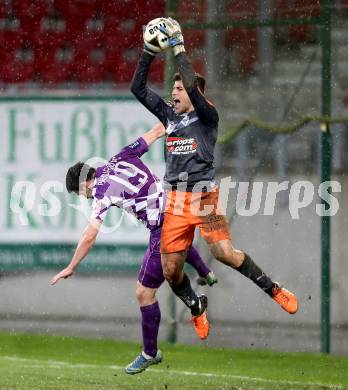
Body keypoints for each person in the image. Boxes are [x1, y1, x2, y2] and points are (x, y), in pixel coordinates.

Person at [131, 17, 298, 340]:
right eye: (174, 89)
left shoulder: (207, 116)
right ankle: (196, 305)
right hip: (176, 200)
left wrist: (178, 48)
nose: (174, 93)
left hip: (204, 198)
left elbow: (193, 85)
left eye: (179, 89)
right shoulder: (168, 115)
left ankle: (273, 288)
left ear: (196, 95)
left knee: (224, 253)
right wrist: (148, 52)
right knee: (170, 270)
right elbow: (137, 88)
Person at [50, 124, 217, 375]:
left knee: (144, 294)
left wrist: (71, 266)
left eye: (79, 192)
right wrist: (175, 118)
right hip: (178, 209)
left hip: (162, 226)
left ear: (85, 183)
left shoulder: (101, 191)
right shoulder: (120, 157)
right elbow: (154, 132)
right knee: (174, 259)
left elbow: (89, 235)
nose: (83, 197)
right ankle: (204, 279)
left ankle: (152, 351)